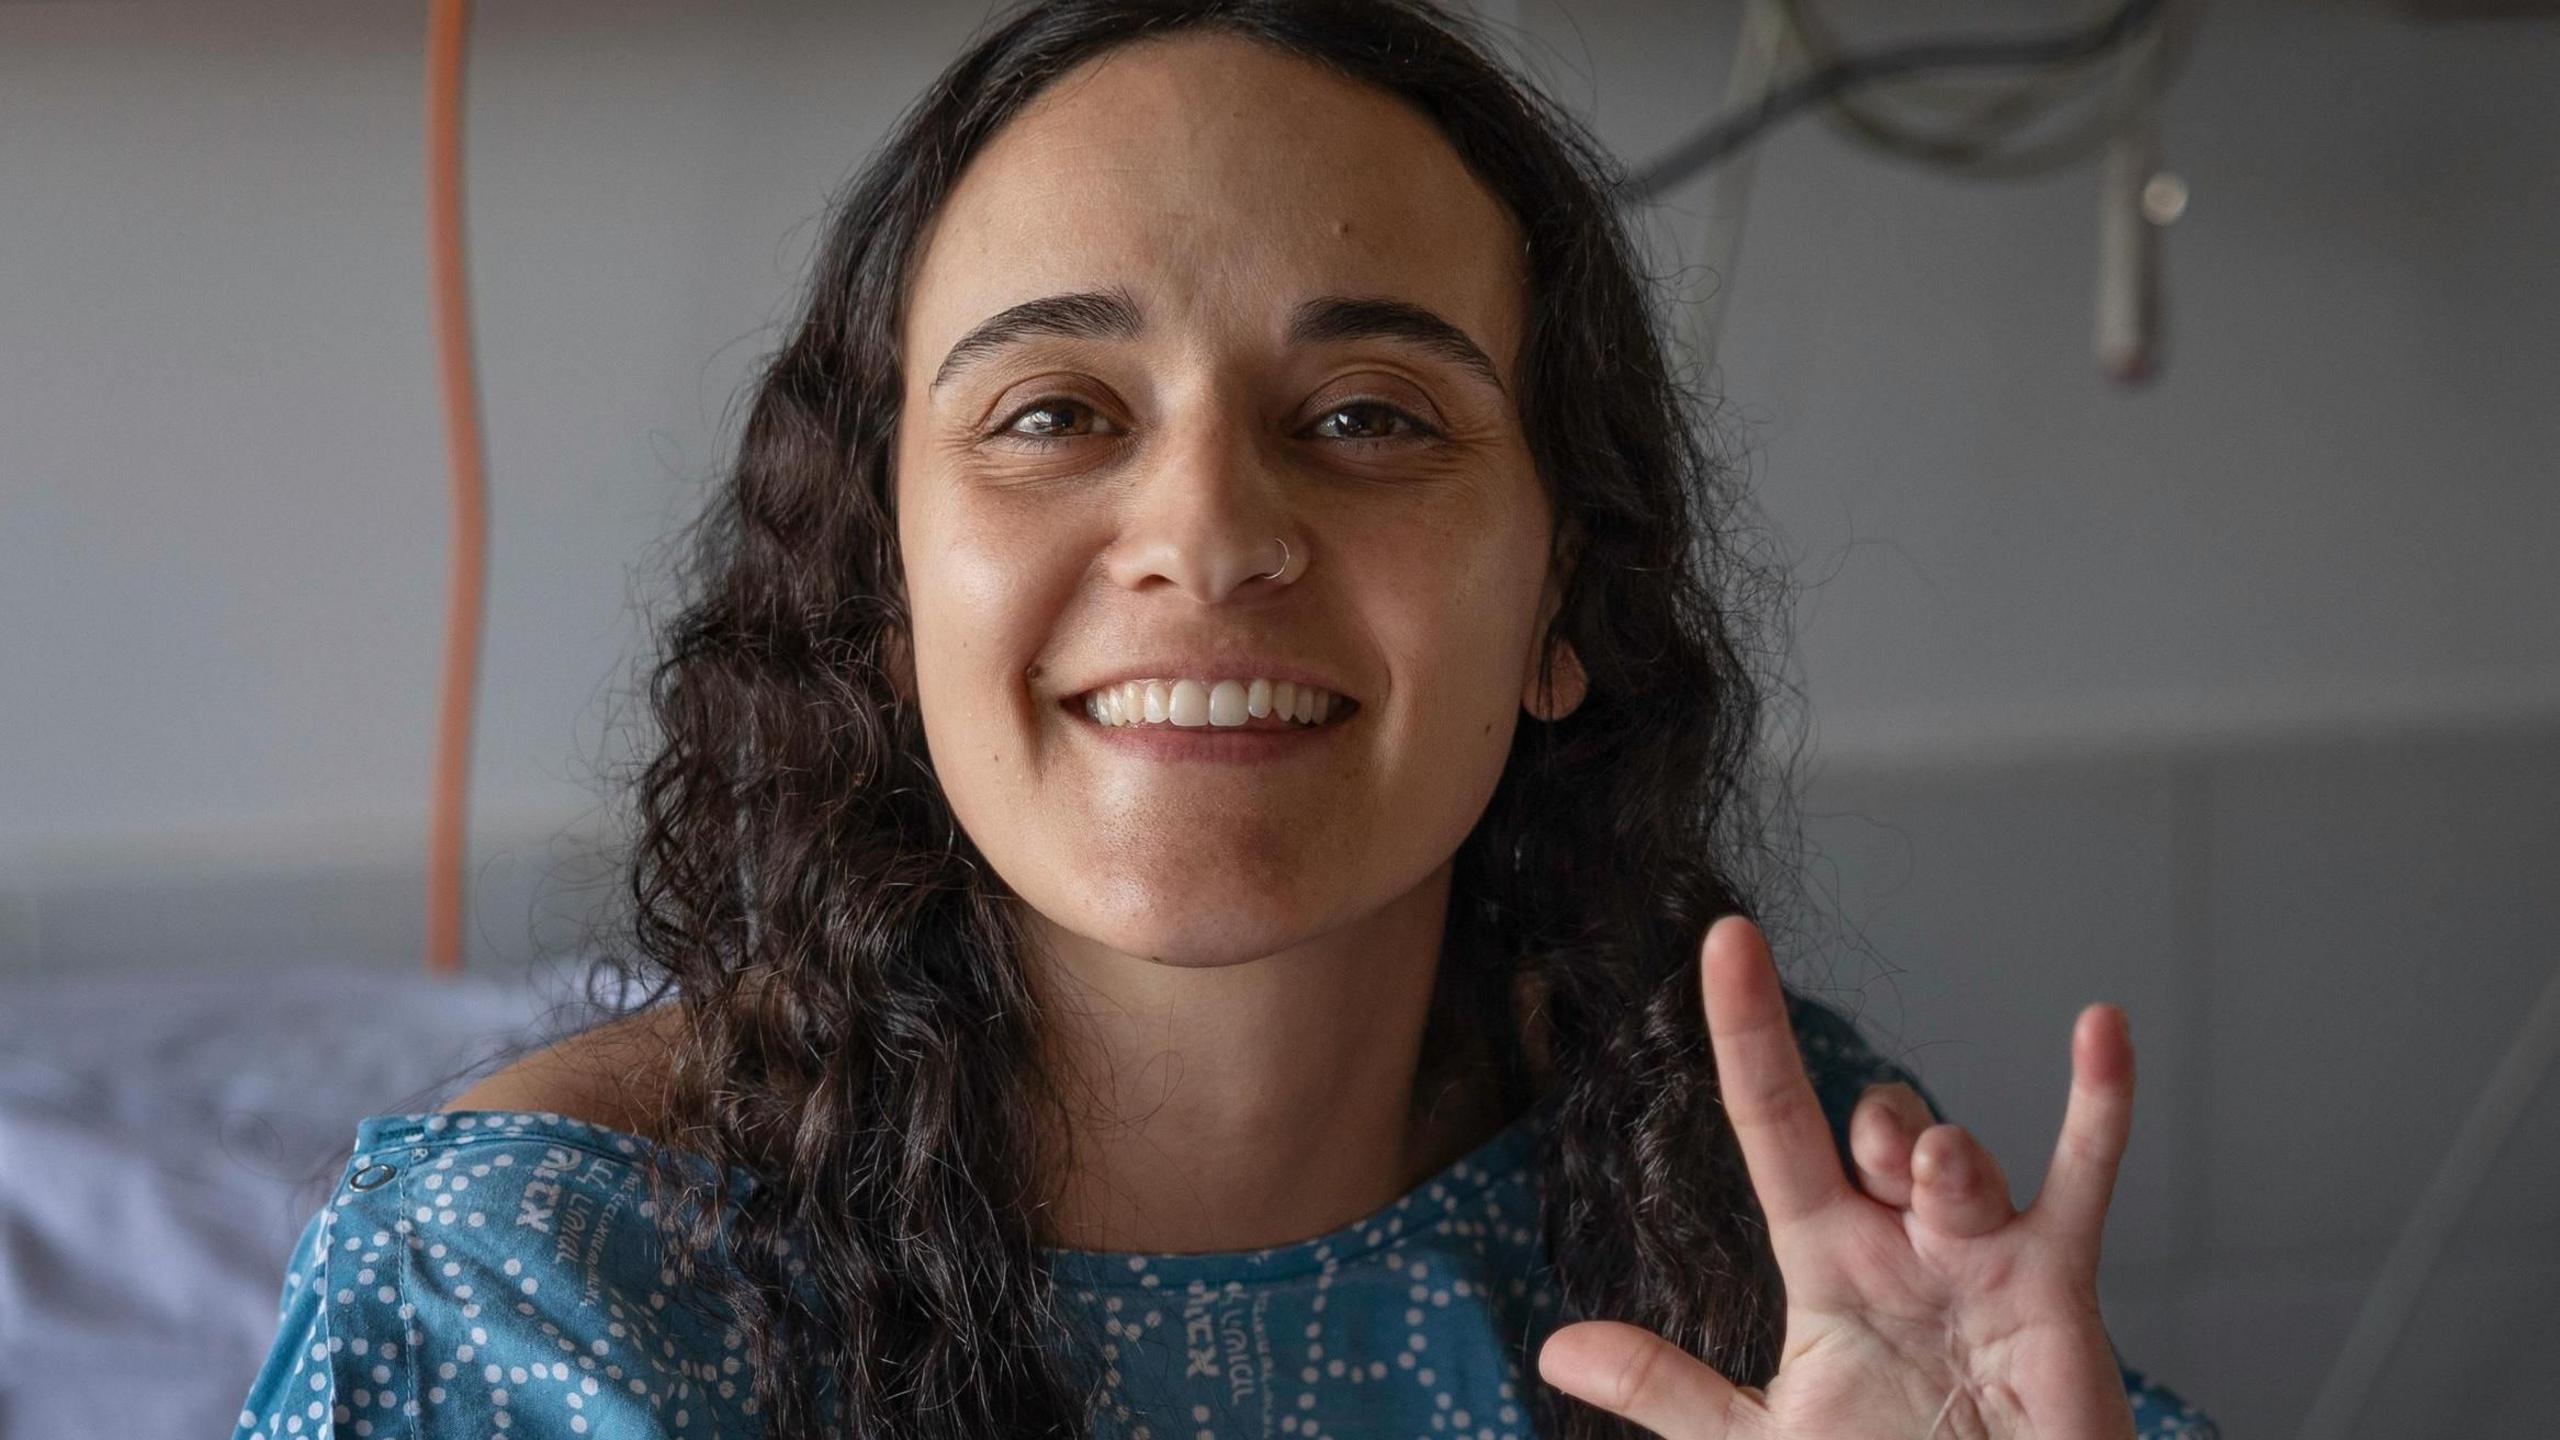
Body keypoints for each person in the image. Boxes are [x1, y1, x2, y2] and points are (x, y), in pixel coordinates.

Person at [230, 2, 2222, 1437]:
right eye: (1053, 415)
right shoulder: (533, 1296)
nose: (1204, 534)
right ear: (879, 588)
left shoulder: (1752, 1196)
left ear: (1559, 603)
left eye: (1366, 417)